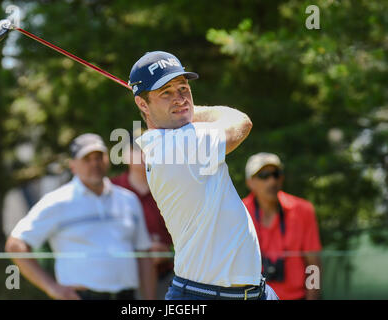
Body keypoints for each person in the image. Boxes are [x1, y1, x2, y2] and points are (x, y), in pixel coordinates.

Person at [128, 51, 278, 300]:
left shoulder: (175, 138)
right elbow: (241, 122)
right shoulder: (177, 145)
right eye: (166, 92)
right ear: (143, 104)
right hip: (206, 296)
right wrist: (190, 109)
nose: (180, 98)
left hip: (252, 292)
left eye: (183, 88)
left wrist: (178, 108)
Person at [5, 133, 156, 300]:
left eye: (99, 157)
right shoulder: (57, 201)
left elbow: (144, 255)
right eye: (87, 159)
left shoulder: (129, 200)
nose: (95, 163)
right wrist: (52, 288)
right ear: (73, 166)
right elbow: (15, 245)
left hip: (127, 297)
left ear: (108, 159)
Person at [243, 152, 322, 300]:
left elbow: (314, 266)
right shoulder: (239, 212)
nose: (272, 181)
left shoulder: (303, 210)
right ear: (250, 182)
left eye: (276, 174)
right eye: (264, 176)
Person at [111, 128, 175, 299]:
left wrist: (168, 251)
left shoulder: (170, 188)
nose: (143, 153)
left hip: (168, 277)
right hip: (122, 280)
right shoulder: (111, 189)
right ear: (124, 154)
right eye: (136, 148)